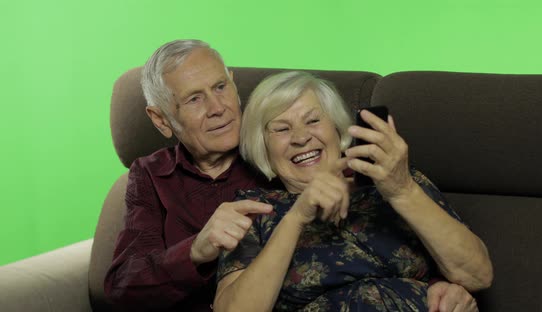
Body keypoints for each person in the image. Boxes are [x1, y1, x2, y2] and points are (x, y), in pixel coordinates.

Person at [104, 39, 483, 311]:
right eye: (194, 99)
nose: (218, 108)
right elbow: (122, 288)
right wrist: (197, 250)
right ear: (160, 119)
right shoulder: (159, 177)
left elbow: (468, 270)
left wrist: (435, 286)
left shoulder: (375, 175)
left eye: (221, 87)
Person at [214, 71, 493, 311]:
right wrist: (297, 217)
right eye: (282, 129)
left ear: (337, 129)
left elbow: (478, 275)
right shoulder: (254, 210)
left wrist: (402, 191)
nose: (301, 138)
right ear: (263, 147)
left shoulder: (396, 182)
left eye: (313, 121)